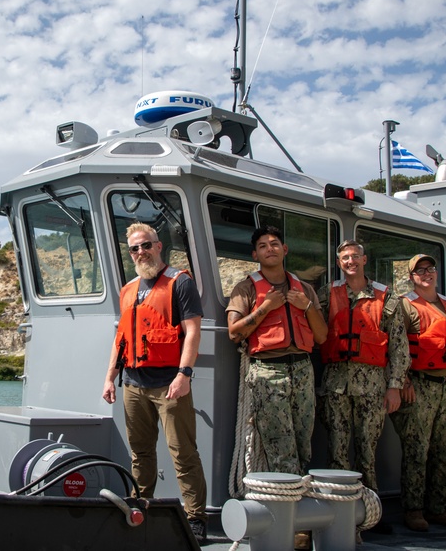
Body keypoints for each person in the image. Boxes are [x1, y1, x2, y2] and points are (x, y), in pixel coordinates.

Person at [102, 223, 208, 542]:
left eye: (145, 245)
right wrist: (110, 377)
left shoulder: (180, 283)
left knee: (183, 452)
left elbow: (192, 331)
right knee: (141, 452)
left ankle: (196, 518)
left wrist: (184, 374)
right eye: (134, 248)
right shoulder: (128, 289)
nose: (140, 252)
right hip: (133, 384)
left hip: (169, 383)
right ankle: (140, 507)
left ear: (158, 246)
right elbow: (121, 338)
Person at [226, 226, 328, 476]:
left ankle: (296, 495)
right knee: (279, 446)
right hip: (268, 371)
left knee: (303, 444)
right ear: (254, 255)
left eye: (274, 244)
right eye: (262, 246)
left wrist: (306, 307)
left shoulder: (304, 290)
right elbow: (234, 333)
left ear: (285, 249)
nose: (269, 249)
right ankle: (287, 504)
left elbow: (322, 336)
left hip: (303, 370)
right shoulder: (245, 289)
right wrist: (266, 307)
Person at [317, 240, 409, 510]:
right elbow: (310, 321)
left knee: (368, 452)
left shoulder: (386, 297)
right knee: (337, 451)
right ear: (338, 263)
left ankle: (369, 511)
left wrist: (395, 387)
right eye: (345, 258)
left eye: (355, 256)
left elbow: (399, 346)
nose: (350, 262)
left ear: (364, 260)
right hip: (335, 385)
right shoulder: (327, 293)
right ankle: (340, 512)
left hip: (372, 387)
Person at [396, 254, 446, 532]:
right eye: (419, 271)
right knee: (417, 449)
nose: (426, 274)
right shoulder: (405, 305)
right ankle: (414, 510)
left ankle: (440, 508)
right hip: (419, 384)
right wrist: (402, 381)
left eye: (430, 269)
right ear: (411, 277)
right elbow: (397, 346)